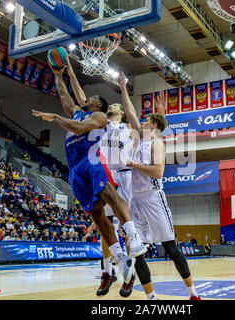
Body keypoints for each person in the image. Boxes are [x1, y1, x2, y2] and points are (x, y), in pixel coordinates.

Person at [32, 62, 146, 295]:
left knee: (110, 196)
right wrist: (59, 76)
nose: (86, 98)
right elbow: (67, 95)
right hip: (74, 168)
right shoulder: (79, 110)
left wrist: (55, 118)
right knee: (96, 214)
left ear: (99, 105)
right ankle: (119, 259)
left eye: (91, 97)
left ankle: (133, 238)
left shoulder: (99, 117)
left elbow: (78, 127)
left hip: (93, 160)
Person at [65, 56, 144, 298]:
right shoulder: (103, 123)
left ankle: (129, 268)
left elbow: (131, 113)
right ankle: (109, 270)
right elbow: (80, 99)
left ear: (119, 110)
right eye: (110, 107)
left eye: (116, 107)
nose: (113, 110)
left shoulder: (127, 130)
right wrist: (69, 68)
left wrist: (123, 91)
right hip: (103, 173)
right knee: (104, 226)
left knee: (125, 225)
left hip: (125, 177)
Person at [120, 73, 201, 300]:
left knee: (171, 249)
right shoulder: (141, 138)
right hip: (136, 200)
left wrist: (134, 164)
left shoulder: (156, 143)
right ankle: (151, 298)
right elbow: (130, 113)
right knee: (136, 252)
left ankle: (193, 293)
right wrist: (123, 88)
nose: (141, 122)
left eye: (146, 121)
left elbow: (158, 172)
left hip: (154, 198)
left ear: (153, 125)